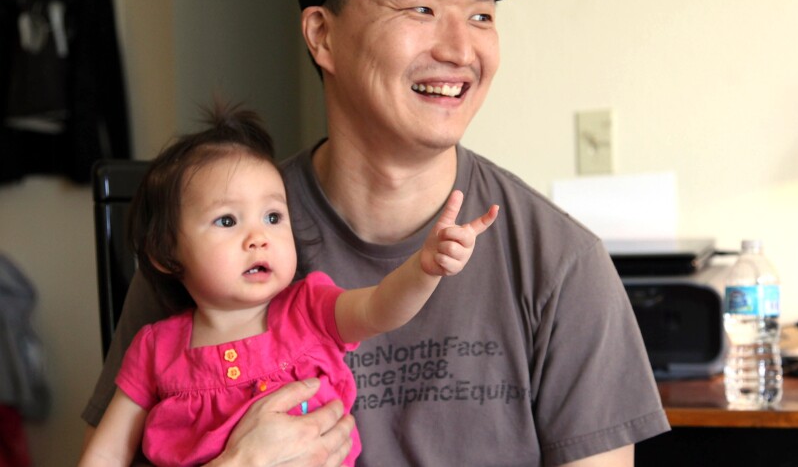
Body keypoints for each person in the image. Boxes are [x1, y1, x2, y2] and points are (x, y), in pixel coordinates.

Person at [82, 0, 671, 465]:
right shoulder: (214, 239)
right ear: (323, 36)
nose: (460, 50)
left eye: (481, 16)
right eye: (422, 8)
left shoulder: (561, 263)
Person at [78, 104, 497, 467]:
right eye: (228, 220)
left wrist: (424, 269)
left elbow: (379, 308)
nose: (258, 237)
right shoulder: (154, 350)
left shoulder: (309, 308)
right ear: (166, 253)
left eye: (273, 217)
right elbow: (106, 455)